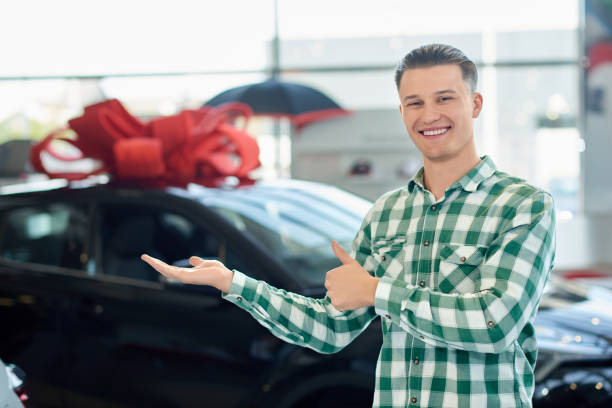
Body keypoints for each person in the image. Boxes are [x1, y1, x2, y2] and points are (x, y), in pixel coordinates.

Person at [142, 44, 556, 407]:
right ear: (402, 112)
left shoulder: (522, 206)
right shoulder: (387, 212)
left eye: (444, 98)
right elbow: (330, 328)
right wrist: (233, 283)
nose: (429, 115)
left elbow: (494, 324)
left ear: (476, 104)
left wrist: (378, 291)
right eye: (414, 103)